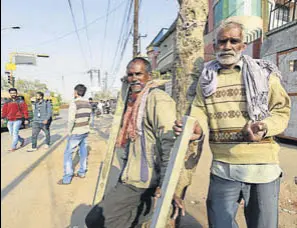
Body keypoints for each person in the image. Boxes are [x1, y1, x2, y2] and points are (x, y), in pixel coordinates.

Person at [174, 21, 291, 228]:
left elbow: (281, 112)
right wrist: (197, 129)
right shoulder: (207, 79)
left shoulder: (263, 75)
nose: (227, 46)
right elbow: (199, 110)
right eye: (222, 41)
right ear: (215, 45)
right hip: (223, 168)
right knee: (219, 223)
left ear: (242, 45)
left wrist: (264, 127)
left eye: (233, 41)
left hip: (262, 170)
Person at [85, 57, 181, 227]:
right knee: (128, 220)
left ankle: (147, 208)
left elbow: (169, 144)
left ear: (149, 76)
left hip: (143, 179)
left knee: (96, 220)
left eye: (139, 74)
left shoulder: (157, 99)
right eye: (130, 75)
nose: (134, 78)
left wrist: (166, 185)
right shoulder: (133, 101)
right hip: (131, 175)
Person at [58, 84, 92, 185]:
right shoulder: (88, 103)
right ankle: (82, 172)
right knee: (83, 152)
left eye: (74, 91)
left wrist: (69, 132)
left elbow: (71, 120)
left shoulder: (74, 103)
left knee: (68, 153)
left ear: (76, 92)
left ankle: (67, 178)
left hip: (76, 132)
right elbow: (90, 118)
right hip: (85, 131)